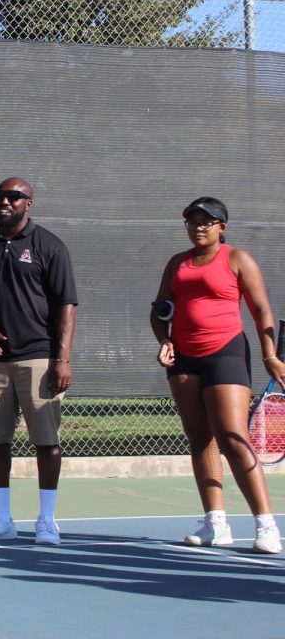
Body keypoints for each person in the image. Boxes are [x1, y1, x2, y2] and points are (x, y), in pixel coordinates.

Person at [151, 196, 282, 554]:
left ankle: (266, 525)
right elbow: (159, 310)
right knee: (200, 440)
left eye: (206, 222)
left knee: (232, 438)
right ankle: (215, 523)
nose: (198, 227)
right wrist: (165, 340)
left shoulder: (238, 259)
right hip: (183, 359)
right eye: (192, 222)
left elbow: (261, 310)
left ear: (221, 227)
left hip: (225, 353)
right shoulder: (177, 263)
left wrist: (271, 354)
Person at [0, 177, 78, 546]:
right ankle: (2, 519)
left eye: (14, 197)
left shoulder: (49, 247)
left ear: (29, 203)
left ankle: (46, 521)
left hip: (40, 358)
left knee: (47, 443)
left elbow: (65, 307)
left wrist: (62, 358)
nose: (4, 202)